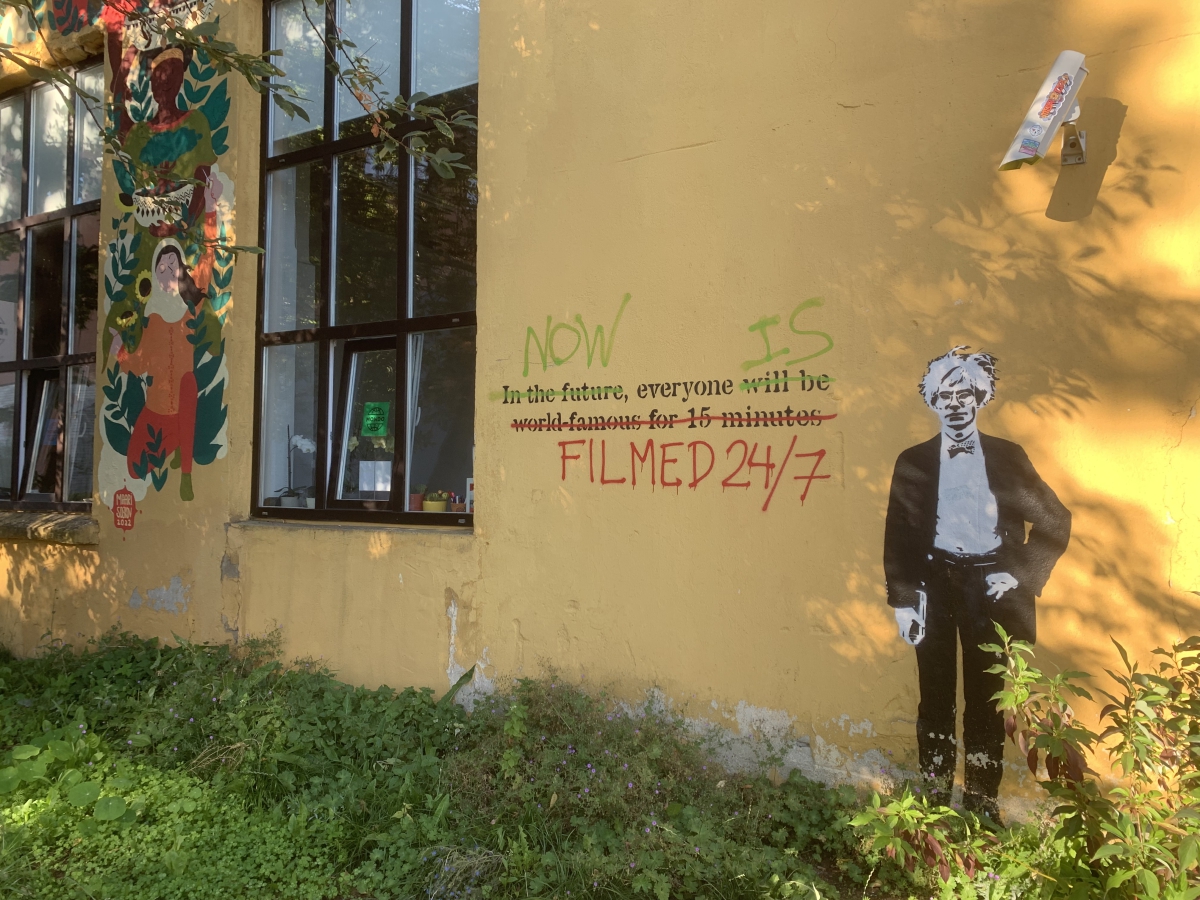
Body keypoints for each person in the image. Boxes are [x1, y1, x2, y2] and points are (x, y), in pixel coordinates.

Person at [883, 347, 1071, 819]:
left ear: (980, 397)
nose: (955, 404)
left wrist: (1019, 572)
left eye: (964, 393)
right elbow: (898, 536)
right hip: (933, 587)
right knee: (935, 697)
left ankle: (982, 807)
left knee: (986, 702)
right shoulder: (913, 462)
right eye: (945, 396)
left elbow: (1055, 519)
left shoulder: (1008, 457)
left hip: (991, 591)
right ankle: (932, 801)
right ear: (932, 401)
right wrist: (904, 603)